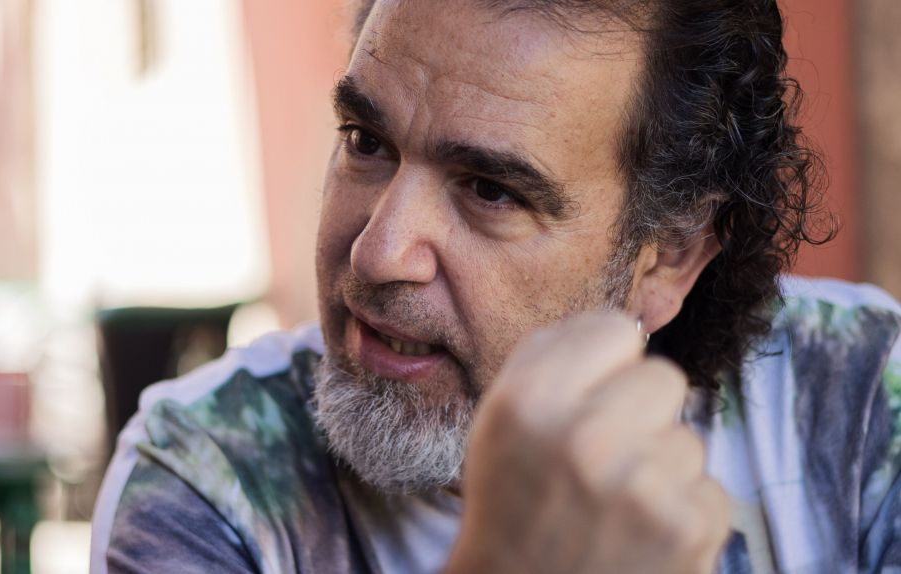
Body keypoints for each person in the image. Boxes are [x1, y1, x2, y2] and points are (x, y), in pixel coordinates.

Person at [90, 1, 901, 572]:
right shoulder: (208, 481)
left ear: (669, 259)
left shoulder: (862, 403)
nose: (378, 253)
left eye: (489, 190)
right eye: (365, 140)